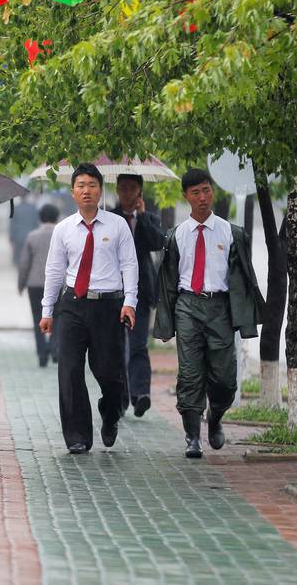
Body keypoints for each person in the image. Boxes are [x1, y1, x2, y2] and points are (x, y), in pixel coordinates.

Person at [153, 168, 264, 459]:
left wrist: (245, 316)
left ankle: (215, 417)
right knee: (190, 375)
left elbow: (244, 279)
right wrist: (166, 323)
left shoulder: (232, 233)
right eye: (196, 193)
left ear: (213, 191)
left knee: (225, 379)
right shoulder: (176, 236)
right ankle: (192, 437)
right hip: (188, 307)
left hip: (220, 309)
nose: (203, 198)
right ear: (186, 197)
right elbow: (168, 283)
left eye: (207, 190)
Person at [39, 163, 138, 454]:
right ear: (73, 192)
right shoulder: (63, 230)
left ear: (100, 190)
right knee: (69, 371)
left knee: (109, 373)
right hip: (71, 305)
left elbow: (130, 265)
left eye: (92, 185)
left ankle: (110, 413)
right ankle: (77, 436)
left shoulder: (117, 225)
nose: (86, 191)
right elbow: (54, 271)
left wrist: (129, 303)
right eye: (81, 185)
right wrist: (47, 311)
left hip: (108, 306)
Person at [112, 174, 165, 417]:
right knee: (115, 347)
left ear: (140, 191)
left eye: (132, 188)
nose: (127, 193)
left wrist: (142, 217)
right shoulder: (109, 218)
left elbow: (157, 243)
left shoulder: (150, 218)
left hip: (141, 293)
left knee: (138, 345)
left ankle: (140, 393)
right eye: (123, 188)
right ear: (116, 190)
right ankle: (120, 397)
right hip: (113, 292)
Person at [18, 203, 60, 367]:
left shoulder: (32, 236)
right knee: (57, 317)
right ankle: (54, 347)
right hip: (57, 283)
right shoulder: (62, 235)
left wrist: (21, 285)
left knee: (38, 318)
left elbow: (24, 264)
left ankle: (42, 354)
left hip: (35, 284)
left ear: (40, 217)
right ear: (57, 217)